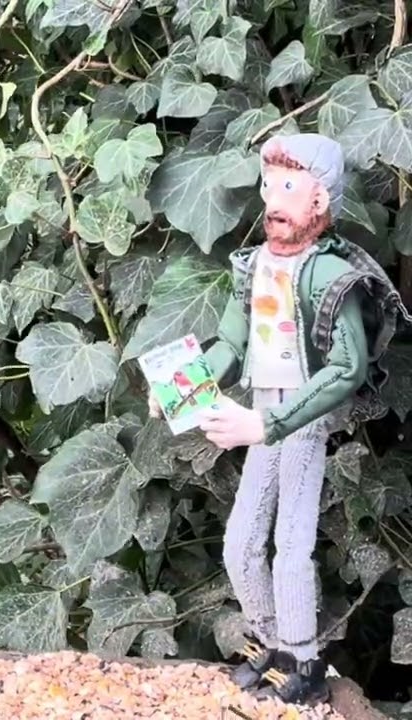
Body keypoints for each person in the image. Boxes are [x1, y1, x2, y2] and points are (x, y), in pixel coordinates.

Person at [147, 133, 410, 705]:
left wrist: (269, 425)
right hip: (260, 407)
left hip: (302, 417)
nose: (273, 199)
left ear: (320, 199)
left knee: (291, 543)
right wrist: (180, 388)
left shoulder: (330, 275)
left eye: (288, 186)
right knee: (240, 543)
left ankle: (306, 661)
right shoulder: (255, 267)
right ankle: (272, 645)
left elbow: (346, 367)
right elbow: (231, 343)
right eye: (269, 185)